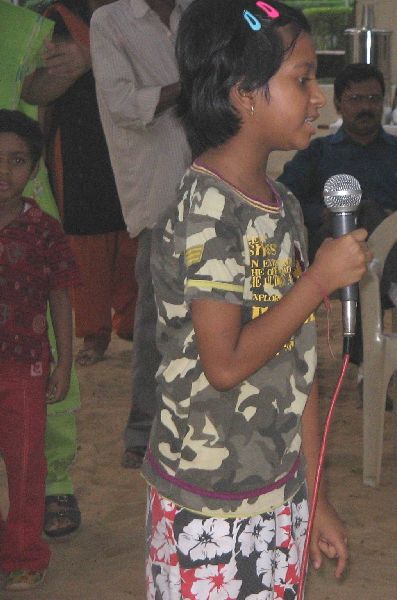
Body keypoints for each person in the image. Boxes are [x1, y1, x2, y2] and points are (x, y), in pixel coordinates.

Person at [141, 1, 365, 596]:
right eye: (302, 79)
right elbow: (224, 364)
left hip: (278, 485)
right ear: (244, 93)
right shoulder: (209, 209)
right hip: (209, 503)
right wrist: (317, 283)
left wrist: (315, 494)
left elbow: (298, 364)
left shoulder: (281, 204)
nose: (318, 98)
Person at [279, 63, 397, 365]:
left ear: (383, 103)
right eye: (356, 99)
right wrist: (326, 214)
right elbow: (284, 198)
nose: (365, 107)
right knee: (359, 212)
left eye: (373, 99)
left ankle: (363, 365)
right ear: (338, 104)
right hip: (332, 248)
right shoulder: (317, 153)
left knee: (370, 221)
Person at [90, 0, 193, 469]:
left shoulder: (201, 14)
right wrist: (193, 84)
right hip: (159, 192)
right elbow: (125, 106)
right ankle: (144, 428)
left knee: (224, 308)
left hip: (220, 183)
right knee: (155, 318)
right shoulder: (110, 21)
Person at [1, 0, 84, 542]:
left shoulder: (14, 23)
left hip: (22, 218)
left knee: (41, 357)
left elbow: (35, 89)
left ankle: (53, 482)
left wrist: (80, 60)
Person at [22, 0, 138, 369]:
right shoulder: (56, 15)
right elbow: (34, 91)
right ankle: (94, 332)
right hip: (78, 143)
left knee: (137, 232)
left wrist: (93, 54)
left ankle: (136, 321)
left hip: (135, 139)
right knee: (86, 238)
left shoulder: (146, 12)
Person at [0, 109, 80, 591]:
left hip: (25, 368)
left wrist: (64, 362)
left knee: (27, 463)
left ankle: (25, 553)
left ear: (33, 169)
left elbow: (60, 297)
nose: (3, 172)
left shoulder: (44, 229)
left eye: (16, 160)